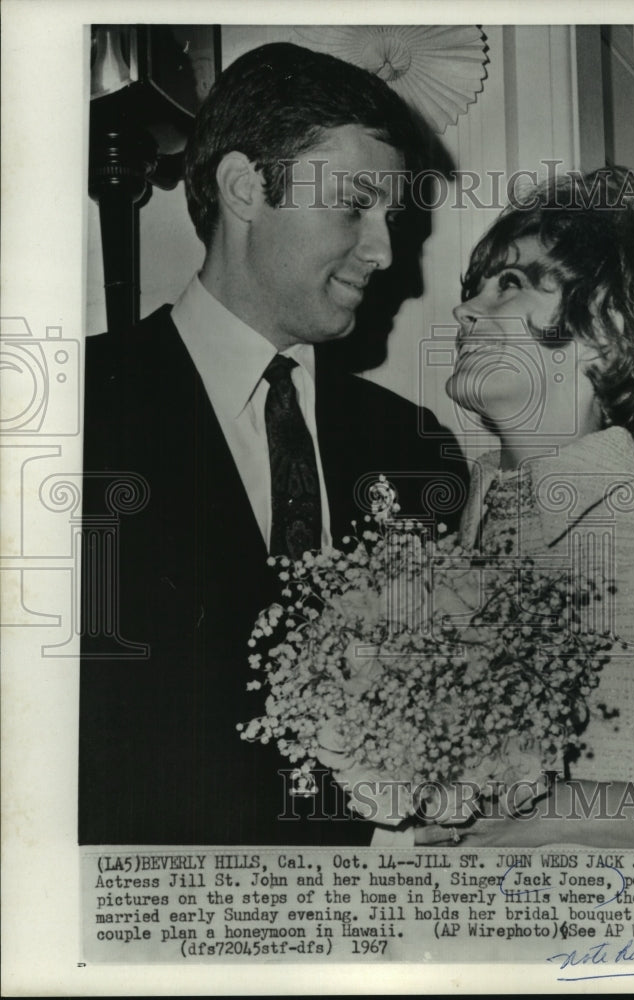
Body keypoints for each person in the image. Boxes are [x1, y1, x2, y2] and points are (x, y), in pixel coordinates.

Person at [79, 43, 467, 846]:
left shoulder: (416, 448)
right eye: (354, 205)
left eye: (390, 219)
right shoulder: (71, 410)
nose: (383, 253)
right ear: (243, 188)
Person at [417, 167, 634, 849]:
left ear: (607, 325)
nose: (465, 312)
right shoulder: (431, 547)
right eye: (473, 288)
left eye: (509, 283)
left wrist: (572, 811)